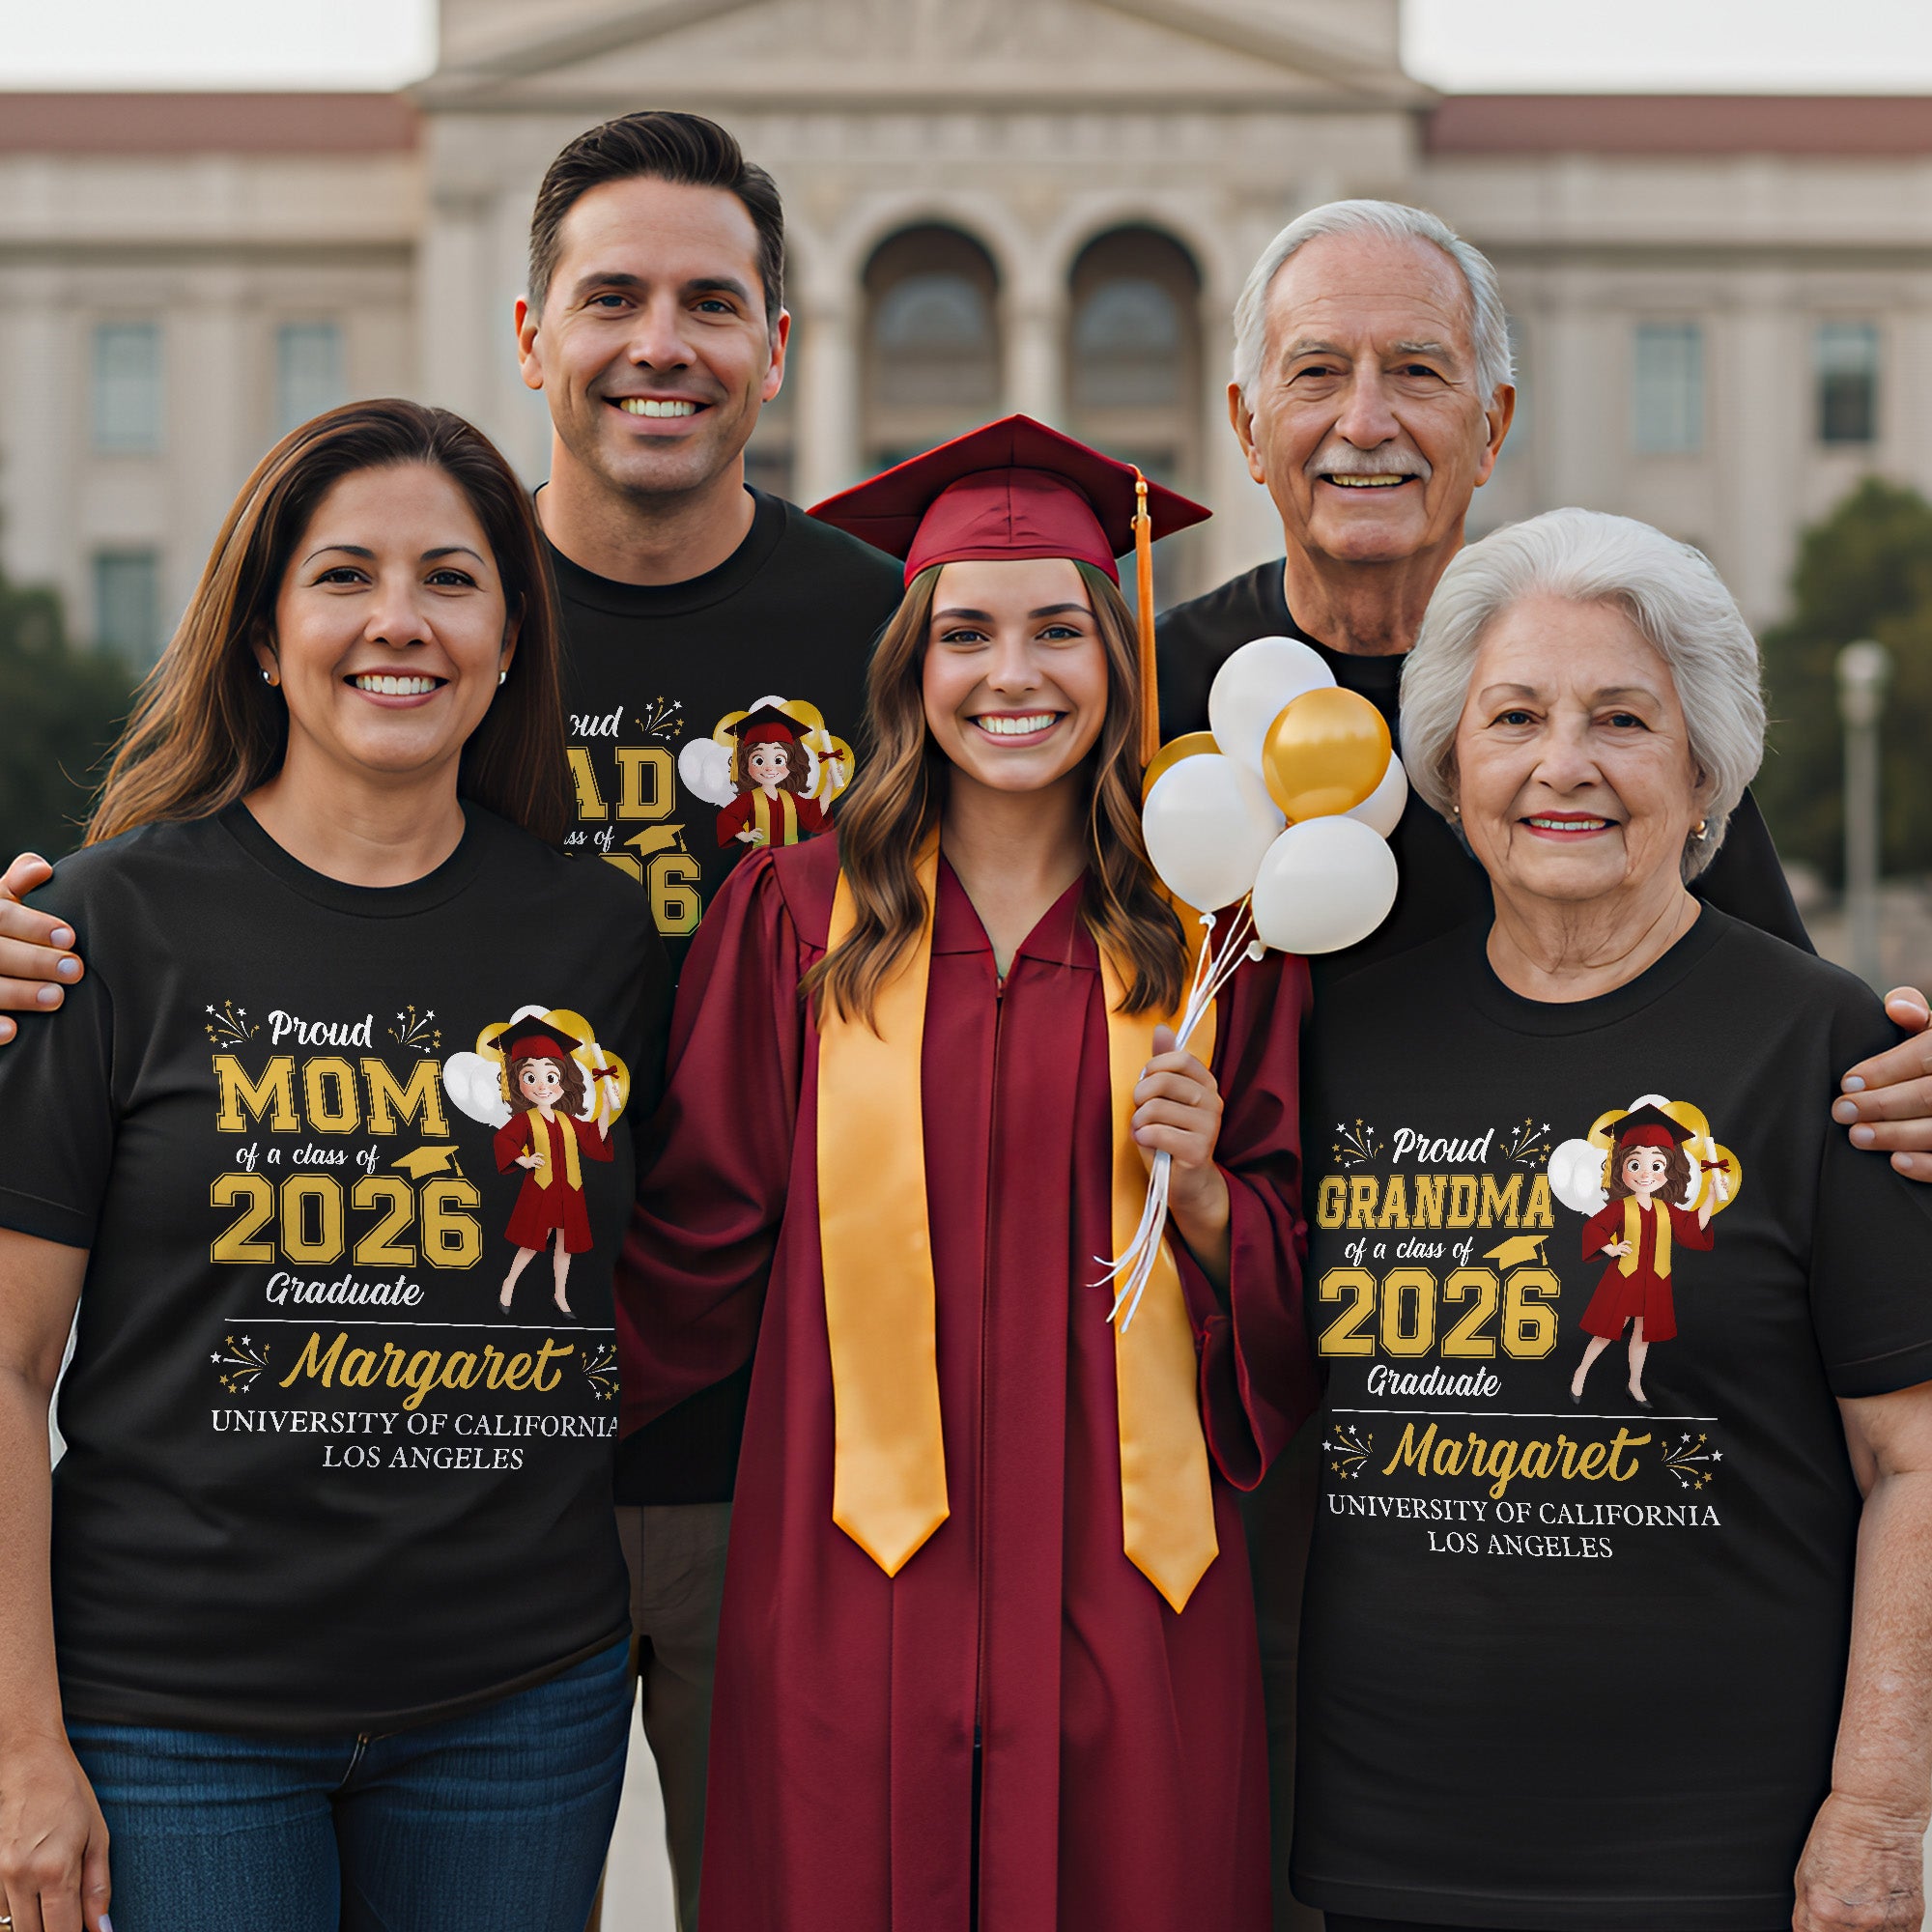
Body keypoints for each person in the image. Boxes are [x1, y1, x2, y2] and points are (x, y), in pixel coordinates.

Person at [0, 109, 902, 1926]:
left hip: (755, 1480)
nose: (661, 344)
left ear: (778, 344)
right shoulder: (140, 904)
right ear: (530, 332)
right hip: (283, 1597)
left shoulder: (881, 648)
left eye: (711, 303)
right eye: (614, 297)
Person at [1150, 197, 1932, 1929]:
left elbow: (1804, 1096)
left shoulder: (1617, 677)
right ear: (1245, 421)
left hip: (1687, 1746)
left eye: (1419, 372)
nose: (1365, 420)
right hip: (1294, 1637)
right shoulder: (1145, 697)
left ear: (1494, 418)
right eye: (1318, 373)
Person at [615, 416, 1314, 1931]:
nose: (1014, 675)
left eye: (1059, 629)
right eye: (967, 634)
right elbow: (696, 1247)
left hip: (1136, 1578)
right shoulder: (794, 920)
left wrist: (1207, 1196)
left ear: (1117, 659)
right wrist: (482, 1411)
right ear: (910, 669)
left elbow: (1305, 1269)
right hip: (851, 1573)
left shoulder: (1215, 938)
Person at [0, 398, 669, 1931]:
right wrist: (20, 1748)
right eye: (345, 576)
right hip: (176, 1714)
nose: (399, 622)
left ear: (509, 637)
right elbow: (7, 1364)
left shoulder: (600, 934)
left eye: (451, 580)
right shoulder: (101, 930)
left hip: (520, 1706)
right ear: (261, 632)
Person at [1293, 507, 1932, 1932]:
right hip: (1390, 1841)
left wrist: (1882, 1806)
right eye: (1515, 717)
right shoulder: (1340, 1040)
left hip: (1722, 1854)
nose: (1563, 764)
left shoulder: (1829, 1049)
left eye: (1623, 720)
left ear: (1703, 772)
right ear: (1451, 764)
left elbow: (1916, 1459)